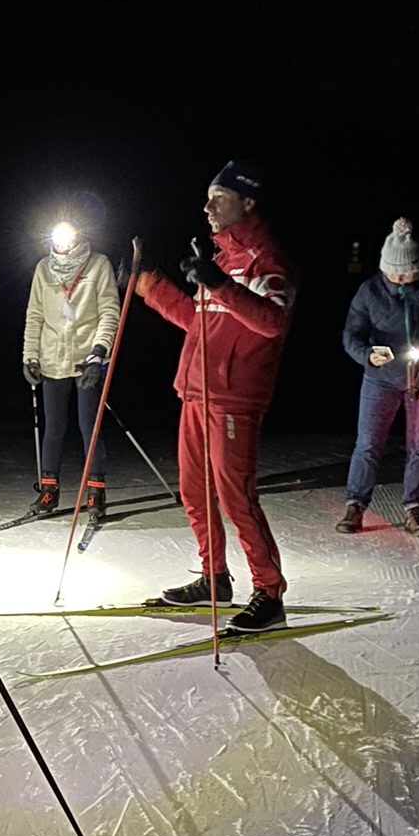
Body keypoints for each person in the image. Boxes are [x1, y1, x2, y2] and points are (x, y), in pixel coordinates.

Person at [137, 159, 297, 633]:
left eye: (219, 198)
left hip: (234, 398)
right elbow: (199, 322)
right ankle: (214, 578)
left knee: (236, 498)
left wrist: (221, 285)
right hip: (196, 392)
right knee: (194, 491)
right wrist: (151, 286)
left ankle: (269, 592)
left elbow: (271, 323)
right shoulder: (221, 260)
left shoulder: (270, 263)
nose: (207, 207)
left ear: (247, 202)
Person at [336, 218, 419, 538]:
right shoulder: (369, 291)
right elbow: (351, 334)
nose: (402, 279)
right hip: (380, 378)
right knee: (367, 444)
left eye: (409, 272)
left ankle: (414, 509)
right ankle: (355, 504)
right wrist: (367, 355)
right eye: (395, 273)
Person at [21, 198, 121, 517]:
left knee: (88, 425)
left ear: (78, 236)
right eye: (57, 237)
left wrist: (98, 353)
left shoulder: (98, 264)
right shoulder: (43, 269)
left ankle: (95, 492)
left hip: (86, 361)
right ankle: (49, 491)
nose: (62, 243)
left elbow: (109, 312)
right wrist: (30, 356)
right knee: (54, 427)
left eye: (68, 236)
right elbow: (35, 315)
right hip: (52, 361)